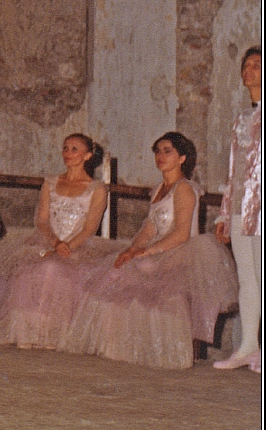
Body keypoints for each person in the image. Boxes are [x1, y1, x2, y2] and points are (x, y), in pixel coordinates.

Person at [63, 133, 238, 370]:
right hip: (157, 249)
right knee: (116, 267)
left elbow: (181, 233)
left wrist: (146, 253)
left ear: (182, 158)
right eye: (158, 151)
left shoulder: (185, 188)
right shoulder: (158, 190)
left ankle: (161, 351)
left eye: (168, 151)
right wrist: (132, 249)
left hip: (181, 251)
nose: (160, 156)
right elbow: (149, 227)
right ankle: (117, 345)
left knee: (141, 267)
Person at [0, 134, 109, 350]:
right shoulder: (50, 182)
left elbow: (90, 228)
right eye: (65, 148)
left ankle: (51, 333)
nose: (68, 153)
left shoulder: (97, 189)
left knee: (52, 268)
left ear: (88, 155)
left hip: (78, 246)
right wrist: (54, 243)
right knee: (27, 269)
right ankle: (28, 331)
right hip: (47, 241)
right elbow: (41, 220)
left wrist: (67, 246)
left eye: (75, 149)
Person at [213, 46, 262, 372]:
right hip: (243, 208)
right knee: (248, 279)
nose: (249, 70)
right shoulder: (242, 118)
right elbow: (233, 169)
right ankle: (248, 347)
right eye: (245, 65)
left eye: (256, 65)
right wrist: (224, 212)